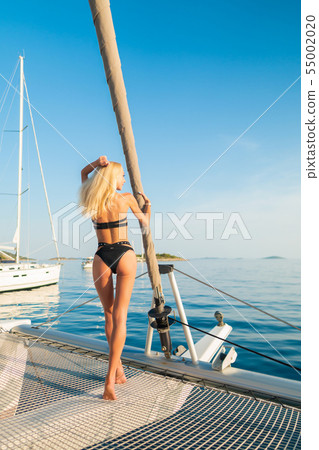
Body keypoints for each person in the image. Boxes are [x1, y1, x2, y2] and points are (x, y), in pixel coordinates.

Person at [79, 155, 151, 400]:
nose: (123, 180)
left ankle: (118, 372)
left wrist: (96, 164)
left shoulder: (93, 201)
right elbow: (145, 224)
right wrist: (148, 209)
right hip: (125, 253)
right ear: (113, 178)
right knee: (121, 316)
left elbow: (82, 174)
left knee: (108, 315)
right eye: (121, 176)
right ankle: (111, 378)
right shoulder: (127, 199)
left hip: (102, 256)